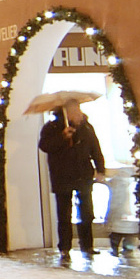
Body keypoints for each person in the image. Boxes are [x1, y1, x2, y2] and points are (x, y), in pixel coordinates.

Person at [39, 102, 105, 259]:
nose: (79, 114)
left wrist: (100, 169)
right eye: (75, 111)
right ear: (66, 113)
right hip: (62, 176)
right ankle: (65, 247)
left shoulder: (87, 128)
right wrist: (63, 137)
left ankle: (87, 245)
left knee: (87, 212)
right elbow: (45, 146)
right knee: (64, 213)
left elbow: (95, 148)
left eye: (79, 110)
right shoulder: (52, 128)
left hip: (83, 175)